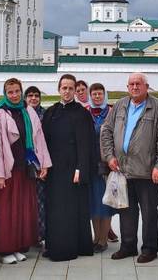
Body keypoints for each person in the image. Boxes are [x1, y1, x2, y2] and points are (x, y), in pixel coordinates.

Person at [99, 72, 158, 264]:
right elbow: (106, 130)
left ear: (146, 86)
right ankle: (128, 246)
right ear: (127, 87)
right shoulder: (120, 106)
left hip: (148, 172)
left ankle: (149, 249)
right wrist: (109, 156)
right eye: (131, 84)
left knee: (149, 212)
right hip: (123, 170)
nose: (134, 87)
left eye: (138, 84)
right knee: (127, 211)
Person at [0, 78, 52, 264]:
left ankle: (18, 246)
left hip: (26, 168)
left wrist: (44, 164)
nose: (14, 95)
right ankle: (4, 249)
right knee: (6, 210)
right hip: (8, 170)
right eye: (10, 92)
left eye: (17, 91)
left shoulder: (28, 110)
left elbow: (38, 138)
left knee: (23, 209)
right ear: (5, 93)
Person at [41, 74, 95, 261]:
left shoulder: (82, 113)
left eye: (70, 88)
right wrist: (43, 165)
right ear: (59, 89)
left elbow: (86, 144)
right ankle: (55, 245)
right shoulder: (51, 112)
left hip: (73, 170)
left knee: (73, 209)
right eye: (64, 88)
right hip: (54, 169)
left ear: (75, 90)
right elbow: (43, 142)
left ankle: (74, 247)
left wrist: (81, 168)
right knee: (55, 208)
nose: (67, 91)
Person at [86, 82, 117, 252]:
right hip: (90, 165)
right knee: (92, 203)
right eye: (94, 94)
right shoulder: (86, 112)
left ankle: (104, 239)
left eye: (100, 94)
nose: (97, 97)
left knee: (105, 204)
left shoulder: (111, 112)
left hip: (106, 165)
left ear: (104, 95)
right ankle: (95, 237)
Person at [24, 86, 47, 246]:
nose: (33, 98)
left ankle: (40, 235)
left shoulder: (45, 114)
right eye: (30, 95)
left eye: (36, 95)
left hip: (41, 163)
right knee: (26, 202)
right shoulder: (22, 113)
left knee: (40, 202)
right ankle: (27, 235)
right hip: (25, 163)